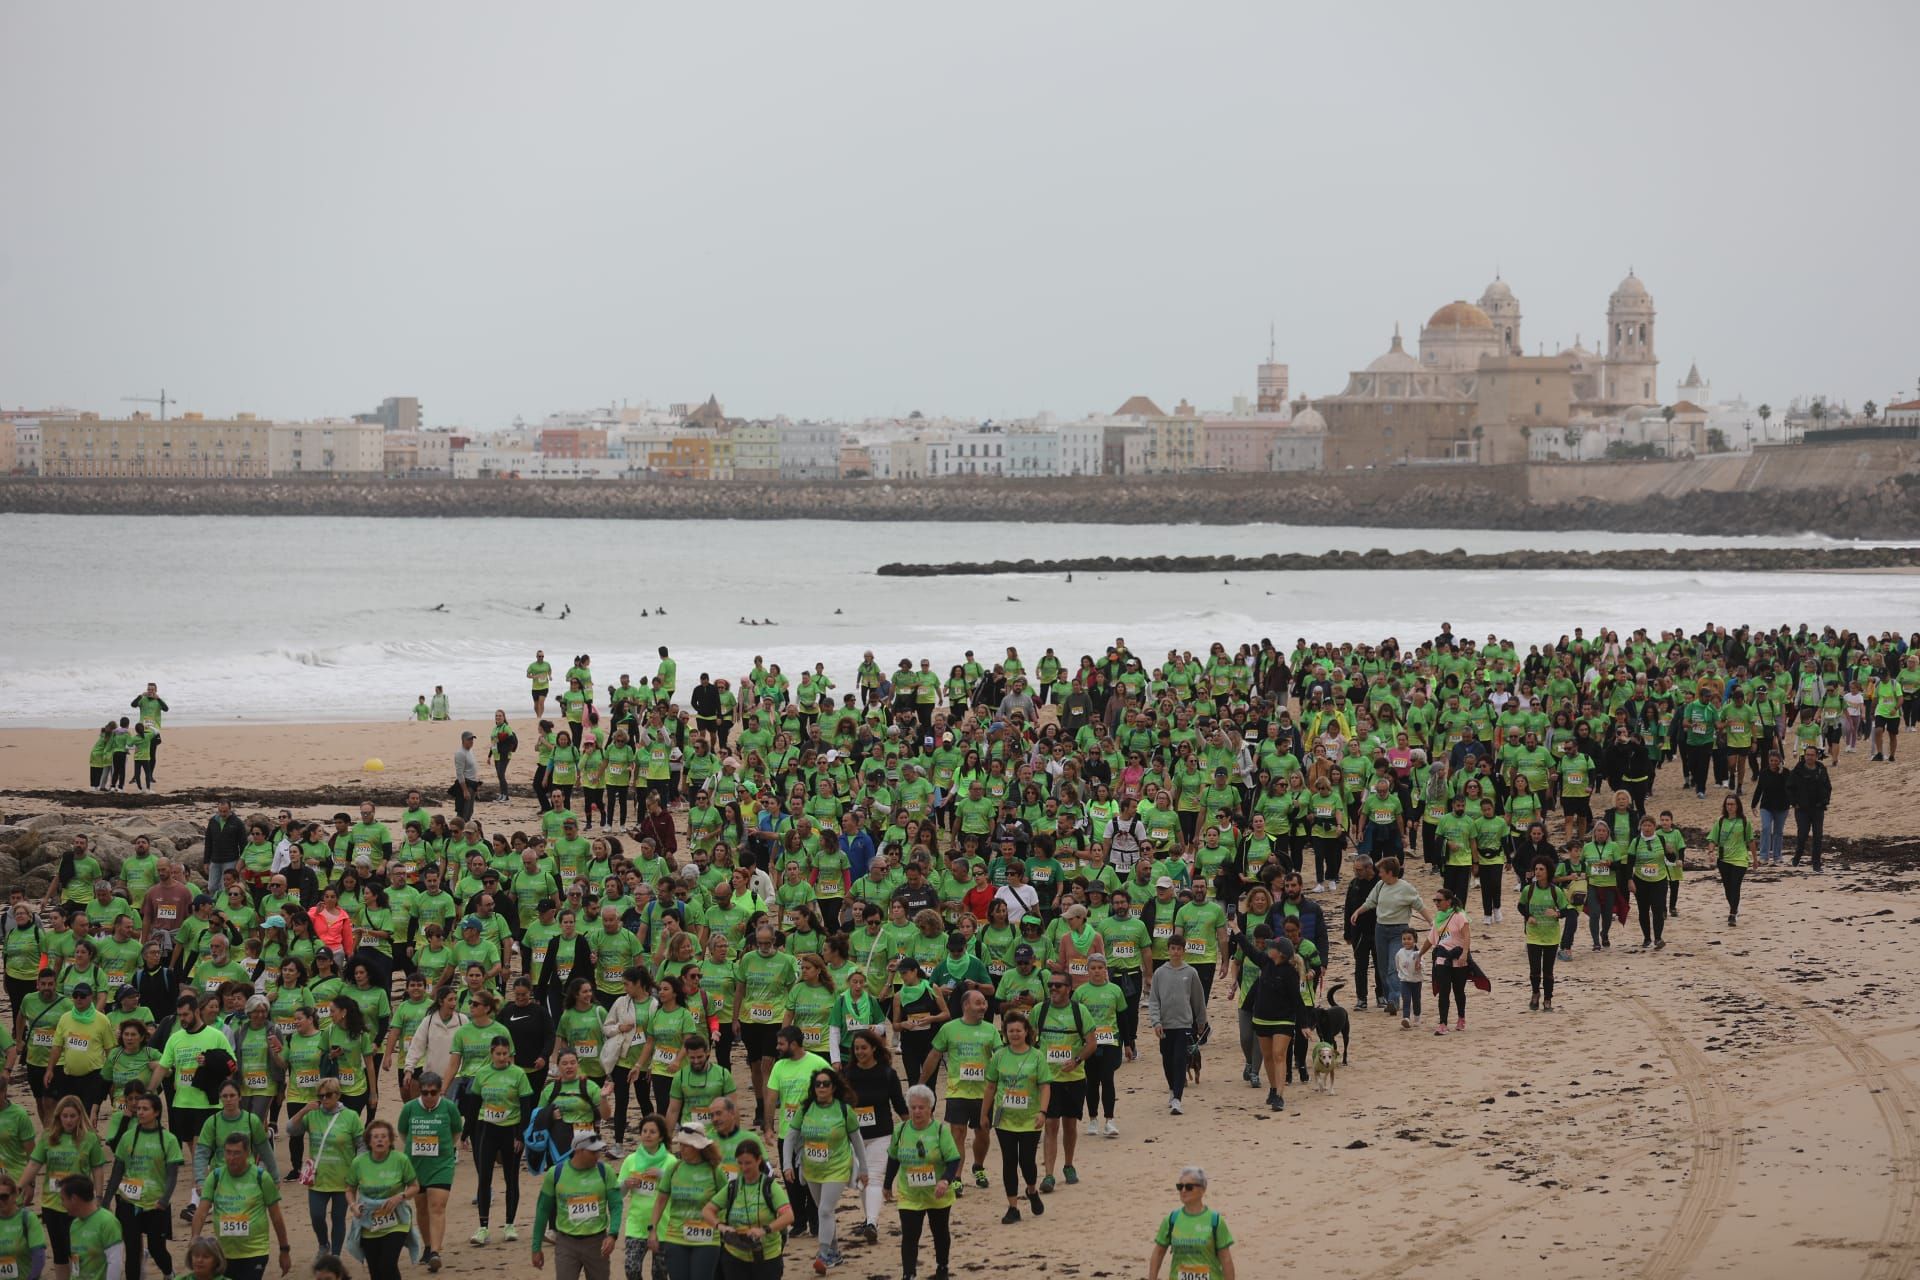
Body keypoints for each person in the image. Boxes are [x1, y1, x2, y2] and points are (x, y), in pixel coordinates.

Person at [780, 1068, 866, 1274]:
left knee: (825, 1210)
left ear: (833, 1087)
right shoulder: (805, 1109)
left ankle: (823, 1254)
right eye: (817, 1084)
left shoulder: (844, 1110)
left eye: (825, 1084)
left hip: (837, 1167)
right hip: (811, 1168)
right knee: (823, 1211)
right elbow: (790, 1137)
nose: (821, 1087)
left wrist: (864, 1169)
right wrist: (786, 1165)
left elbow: (857, 1140)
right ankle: (835, 1252)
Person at [23, 1094, 109, 1279]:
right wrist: (19, 1186)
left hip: (78, 1205)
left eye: (72, 1116)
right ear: (58, 1117)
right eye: (65, 1116)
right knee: (60, 1253)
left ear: (80, 1116)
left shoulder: (90, 1139)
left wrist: (99, 1196)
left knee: (77, 1252)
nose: (68, 1120)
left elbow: (98, 1169)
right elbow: (33, 1165)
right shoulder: (48, 1137)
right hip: (51, 1203)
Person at [189, 1131, 295, 1280]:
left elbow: (276, 1216)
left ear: (248, 1153)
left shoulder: (261, 1177)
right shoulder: (215, 1177)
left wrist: (284, 1250)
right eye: (228, 1153)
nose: (231, 1158)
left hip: (255, 1252)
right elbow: (201, 1213)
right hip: (223, 1254)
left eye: (237, 1153)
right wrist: (194, 1239)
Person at [919, 991, 995, 1191]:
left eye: (985, 1003)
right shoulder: (949, 1029)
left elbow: (1000, 1057)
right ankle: (957, 1177)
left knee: (982, 1133)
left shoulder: (991, 1030)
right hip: (957, 1091)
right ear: (966, 1005)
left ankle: (978, 1166)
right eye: (978, 1003)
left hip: (983, 1093)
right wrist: (921, 1083)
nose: (983, 1007)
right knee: (957, 1133)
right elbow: (935, 1055)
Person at [106, 1092, 182, 1280]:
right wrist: (106, 1201)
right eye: (138, 1108)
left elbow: (172, 1175)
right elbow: (117, 1172)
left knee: (157, 1249)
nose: (139, 1112)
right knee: (132, 1251)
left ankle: (168, 1272)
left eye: (145, 1109)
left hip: (155, 1204)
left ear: (156, 1112)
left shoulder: (169, 1140)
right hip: (128, 1202)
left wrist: (164, 1200)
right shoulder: (127, 1137)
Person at [885, 1084, 958, 1280]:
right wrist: (886, 1184)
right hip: (910, 1193)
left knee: (940, 1232)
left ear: (930, 1109)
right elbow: (893, 1158)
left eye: (921, 1107)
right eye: (913, 1107)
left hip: (937, 1193)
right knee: (910, 1235)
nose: (917, 1111)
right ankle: (909, 1274)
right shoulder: (900, 1130)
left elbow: (953, 1160)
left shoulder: (940, 1130)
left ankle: (942, 1267)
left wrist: (945, 1180)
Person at [982, 1011, 1048, 1224]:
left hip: (1030, 1118)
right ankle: (1013, 1207)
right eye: (1010, 1031)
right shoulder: (999, 1056)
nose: (1015, 1034)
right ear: (1005, 1033)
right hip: (1004, 1119)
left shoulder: (1037, 1056)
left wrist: (1043, 1112)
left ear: (1027, 1031)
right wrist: (984, 1113)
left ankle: (1031, 1189)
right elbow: (991, 1086)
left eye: (1018, 1030)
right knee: (1009, 1161)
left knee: (1027, 1161)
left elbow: (1045, 1086)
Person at [838, 1030, 903, 1247]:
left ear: (874, 1048)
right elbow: (839, 1105)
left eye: (863, 1048)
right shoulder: (847, 1075)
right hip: (854, 1137)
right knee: (862, 1181)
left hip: (881, 1134)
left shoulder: (887, 1074)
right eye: (856, 1049)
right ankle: (869, 1220)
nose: (859, 1052)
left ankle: (872, 1223)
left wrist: (915, 1130)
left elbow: (899, 1105)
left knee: (874, 1177)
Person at [1229, 927, 1305, 1112]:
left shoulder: (1290, 973)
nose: (1267, 948)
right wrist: (1236, 929)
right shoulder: (1265, 962)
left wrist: (1305, 1024)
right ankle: (1272, 1088)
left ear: (1280, 954)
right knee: (1269, 1057)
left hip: (1283, 1020)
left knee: (1279, 1055)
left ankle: (1279, 1095)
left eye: (1271, 947)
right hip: (1262, 1019)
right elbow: (1248, 948)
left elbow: (1297, 1001)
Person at [469, 1035, 533, 1244]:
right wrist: (465, 1132)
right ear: (491, 1054)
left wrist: (521, 1136)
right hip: (487, 1130)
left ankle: (509, 1225)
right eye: (498, 1054)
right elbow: (474, 1105)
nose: (502, 1058)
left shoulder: (518, 1074)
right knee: (484, 1178)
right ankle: (483, 1227)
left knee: (511, 1178)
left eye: (505, 1054)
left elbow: (526, 1106)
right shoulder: (483, 1074)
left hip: (511, 1131)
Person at [287, 1080, 364, 1256]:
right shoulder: (312, 1115)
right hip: (318, 1178)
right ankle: (323, 1244)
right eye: (320, 1096)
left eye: (328, 1095)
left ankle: (335, 1254)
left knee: (338, 1219)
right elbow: (291, 1129)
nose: (324, 1099)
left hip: (343, 1179)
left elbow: (362, 1144)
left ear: (337, 1095)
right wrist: (304, 1110)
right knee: (316, 1216)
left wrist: (357, 1166)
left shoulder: (351, 1116)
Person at [395, 1071, 460, 1273]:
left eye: (434, 1092)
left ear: (440, 1091)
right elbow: (403, 1132)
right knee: (421, 1208)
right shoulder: (409, 1109)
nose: (430, 1097)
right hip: (416, 1166)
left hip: (442, 1164)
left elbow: (456, 1131)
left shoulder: (449, 1108)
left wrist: (446, 1149)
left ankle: (435, 1252)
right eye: (425, 1093)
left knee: (438, 1206)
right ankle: (428, 1245)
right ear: (420, 1092)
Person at [700, 1135, 791, 1280]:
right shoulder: (732, 1187)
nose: (744, 1168)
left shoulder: (769, 1186)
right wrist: (721, 1227)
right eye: (740, 1163)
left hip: (767, 1257)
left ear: (758, 1160)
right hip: (735, 1256)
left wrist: (764, 1230)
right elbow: (707, 1210)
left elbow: (788, 1216)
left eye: (748, 1163)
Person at [534, 1133, 623, 1280]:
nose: (598, 1156)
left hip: (597, 1243)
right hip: (566, 1243)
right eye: (593, 1152)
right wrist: (536, 1247)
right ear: (579, 1150)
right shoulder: (555, 1173)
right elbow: (542, 1210)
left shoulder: (605, 1171)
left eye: (599, 1151)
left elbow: (616, 1205)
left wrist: (613, 1235)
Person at [345, 1120, 419, 1280]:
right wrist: (353, 1205)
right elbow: (349, 1189)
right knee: (376, 1272)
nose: (380, 1140)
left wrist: (400, 1196)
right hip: (369, 1222)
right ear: (369, 1141)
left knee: (388, 1264)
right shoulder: (359, 1162)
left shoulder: (401, 1160)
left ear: (390, 1140)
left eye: (384, 1136)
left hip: (397, 1221)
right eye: (376, 1137)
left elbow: (414, 1186)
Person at [1145, 932, 1206, 1115]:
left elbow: (1198, 999)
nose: (1176, 952)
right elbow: (1154, 1000)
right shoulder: (1160, 973)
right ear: (1168, 950)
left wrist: (1201, 1021)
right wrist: (1156, 1021)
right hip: (1165, 1025)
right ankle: (1172, 1089)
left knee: (1180, 1060)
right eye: (1173, 949)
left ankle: (1178, 1098)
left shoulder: (1191, 972)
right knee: (1167, 1059)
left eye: (1179, 949)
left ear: (1183, 951)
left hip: (1184, 1024)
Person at [647, 1125, 719, 1280]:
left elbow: (727, 1201)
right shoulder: (674, 1169)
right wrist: (652, 1230)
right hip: (675, 1238)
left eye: (686, 1146)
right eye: (681, 1145)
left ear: (698, 1147)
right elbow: (660, 1202)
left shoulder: (714, 1171)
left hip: (707, 1239)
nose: (682, 1149)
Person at [1146, 1166, 1235, 1280]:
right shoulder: (1171, 1219)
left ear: (1202, 1189)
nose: (1183, 1190)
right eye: (1180, 1186)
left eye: (1189, 1187)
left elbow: (1226, 1259)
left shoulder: (1215, 1220)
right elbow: (1158, 1253)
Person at [616, 1114, 674, 1280]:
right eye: (644, 1131)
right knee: (631, 1269)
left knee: (660, 1273)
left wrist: (662, 1174)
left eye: (653, 1132)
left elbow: (679, 1189)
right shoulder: (630, 1160)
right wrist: (626, 1184)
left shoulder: (670, 1162)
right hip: (636, 1224)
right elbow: (618, 1194)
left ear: (661, 1136)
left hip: (664, 1226)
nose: (647, 1135)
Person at [1518, 860, 1571, 1012]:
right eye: (1536, 869)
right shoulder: (1528, 889)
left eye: (1541, 869)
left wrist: (1557, 913)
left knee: (1548, 971)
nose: (1538, 872)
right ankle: (1535, 993)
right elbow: (1521, 906)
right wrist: (1528, 916)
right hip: (1533, 936)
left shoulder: (1556, 891)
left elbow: (1566, 910)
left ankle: (1548, 999)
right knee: (1534, 970)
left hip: (1551, 937)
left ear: (1548, 872)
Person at [1424, 889, 1471, 1034]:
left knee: (1458, 991)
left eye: (1439, 900)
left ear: (1448, 901)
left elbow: (1467, 936)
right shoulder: (1438, 918)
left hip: (1458, 959)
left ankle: (1461, 1018)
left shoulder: (1459, 916)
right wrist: (1419, 954)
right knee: (1444, 991)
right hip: (1442, 959)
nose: (1436, 903)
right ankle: (1443, 1023)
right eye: (1435, 901)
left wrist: (1464, 953)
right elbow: (1431, 939)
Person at [59, 1177, 125, 1280]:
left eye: (63, 1199)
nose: (61, 1204)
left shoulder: (107, 1222)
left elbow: (115, 1263)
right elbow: (76, 1262)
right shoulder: (74, 1224)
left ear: (74, 1199)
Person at [1709, 796, 1755, 927]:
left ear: (1738, 806)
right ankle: (1734, 907)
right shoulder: (1720, 821)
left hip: (1740, 859)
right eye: (1728, 804)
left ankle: (1732, 913)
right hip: (1724, 859)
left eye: (1732, 804)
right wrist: (1711, 851)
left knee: (1735, 885)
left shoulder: (1745, 821)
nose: (1730, 807)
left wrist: (1755, 860)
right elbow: (1713, 839)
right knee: (1727, 887)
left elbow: (1750, 841)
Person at [1789, 746, 1832, 873]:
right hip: (1802, 809)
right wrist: (1794, 803)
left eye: (1812, 755)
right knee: (1802, 835)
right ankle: (1797, 856)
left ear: (1816, 756)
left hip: (1818, 808)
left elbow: (1828, 786)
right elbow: (1789, 788)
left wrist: (1825, 801)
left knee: (1818, 836)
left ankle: (1816, 864)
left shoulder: (1821, 769)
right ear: (1804, 755)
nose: (1809, 757)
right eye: (1807, 754)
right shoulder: (1797, 770)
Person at [0, 1173, 48, 1280]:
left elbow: (39, 1257)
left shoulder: (27, 1218)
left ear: (15, 1195)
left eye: (4, 1197)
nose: (0, 1201)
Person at [454, 733, 482, 823]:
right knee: (463, 812)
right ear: (463, 741)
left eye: (472, 739)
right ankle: (457, 831)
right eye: (469, 740)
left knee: (469, 812)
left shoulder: (470, 751)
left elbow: (473, 770)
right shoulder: (460, 753)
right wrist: (465, 790)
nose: (471, 741)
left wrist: (476, 786)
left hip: (472, 785)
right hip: (466, 785)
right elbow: (459, 773)